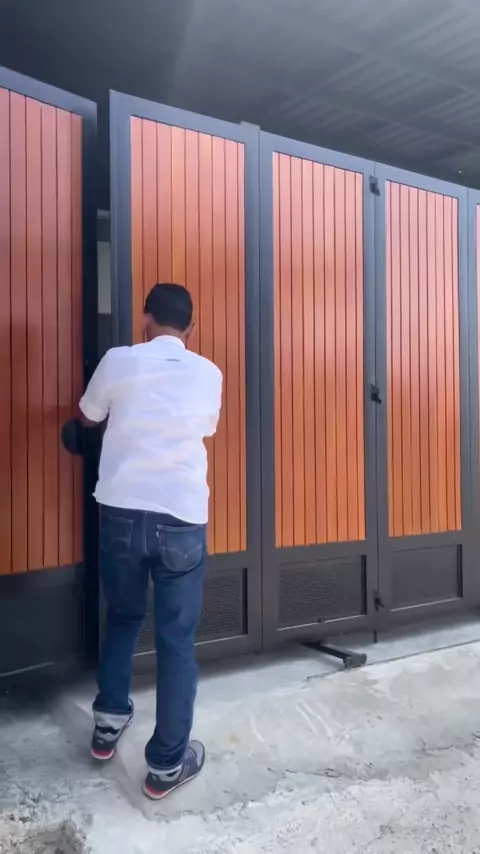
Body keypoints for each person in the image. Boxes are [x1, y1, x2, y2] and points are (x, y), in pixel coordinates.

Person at [75, 283, 222, 800]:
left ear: (146, 318)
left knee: (122, 617)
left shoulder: (119, 360)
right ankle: (165, 766)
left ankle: (108, 722)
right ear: (191, 328)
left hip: (120, 512)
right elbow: (205, 427)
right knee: (176, 640)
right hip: (181, 516)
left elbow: (88, 416)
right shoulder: (208, 373)